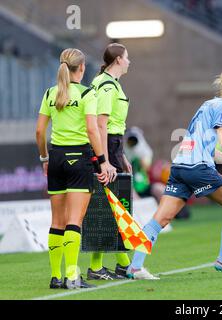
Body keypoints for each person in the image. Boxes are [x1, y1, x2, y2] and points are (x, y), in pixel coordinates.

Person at [126, 73, 222, 280]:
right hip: (198, 169)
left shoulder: (207, 106)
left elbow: (210, 149)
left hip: (180, 167)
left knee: (160, 219)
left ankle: (135, 267)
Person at [35, 48, 109, 289]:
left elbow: (39, 132)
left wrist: (44, 158)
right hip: (79, 158)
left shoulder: (50, 93)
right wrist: (102, 160)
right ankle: (72, 275)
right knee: (74, 221)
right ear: (83, 68)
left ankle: (56, 277)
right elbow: (92, 130)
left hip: (55, 157)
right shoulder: (88, 94)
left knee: (57, 221)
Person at [87, 43, 134, 280]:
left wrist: (121, 155)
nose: (129, 62)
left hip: (113, 146)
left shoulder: (106, 83)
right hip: (107, 146)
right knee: (114, 207)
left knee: (110, 206)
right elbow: (101, 124)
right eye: (127, 58)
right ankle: (125, 264)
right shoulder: (107, 85)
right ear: (117, 60)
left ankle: (110, 265)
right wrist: (105, 160)